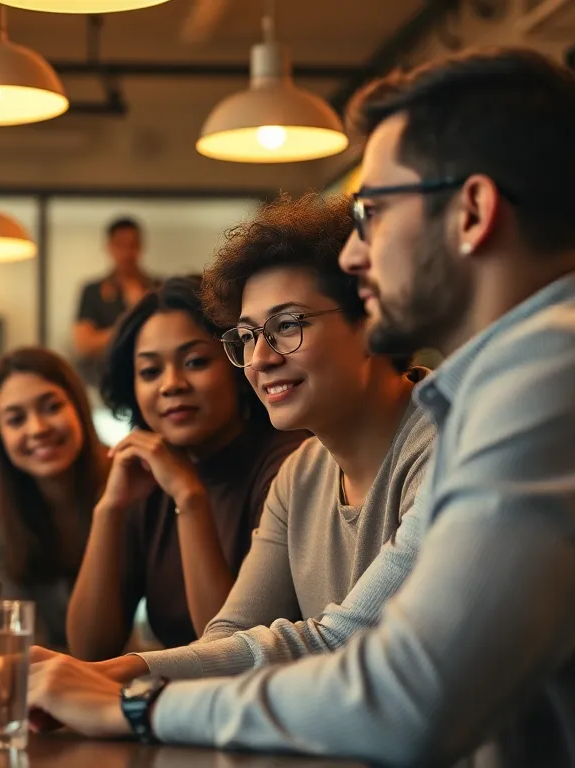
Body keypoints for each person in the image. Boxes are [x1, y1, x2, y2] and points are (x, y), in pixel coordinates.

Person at [27, 47, 575, 767]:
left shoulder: (568, 371)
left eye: (374, 212)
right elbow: (340, 636)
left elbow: (406, 695)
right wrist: (125, 679)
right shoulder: (518, 379)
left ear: (474, 211)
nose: (357, 255)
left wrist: (135, 706)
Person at [36, 192, 436, 685]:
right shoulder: (302, 473)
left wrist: (125, 689)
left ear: (373, 318)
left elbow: (349, 645)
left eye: (287, 325)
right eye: (246, 337)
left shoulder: (447, 444)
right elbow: (232, 634)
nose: (261, 359)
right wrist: (101, 676)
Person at [66, 276, 307, 660]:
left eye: (194, 362)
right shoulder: (147, 475)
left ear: (237, 363)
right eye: (149, 371)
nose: (171, 385)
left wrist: (189, 497)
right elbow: (90, 648)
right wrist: (110, 510)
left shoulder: (291, 464)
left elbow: (231, 652)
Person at [0, 347, 109, 651]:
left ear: (79, 407)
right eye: (16, 419)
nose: (38, 428)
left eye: (51, 407)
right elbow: (17, 645)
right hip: (40, 682)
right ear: (0, 434)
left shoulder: (125, 485)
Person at [73, 217, 160, 380]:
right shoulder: (93, 291)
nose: (127, 253)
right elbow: (84, 345)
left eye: (133, 245)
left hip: (151, 374)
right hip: (104, 377)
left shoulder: (158, 287)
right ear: (109, 247)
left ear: (141, 246)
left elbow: (165, 336)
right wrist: (134, 318)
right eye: (120, 245)